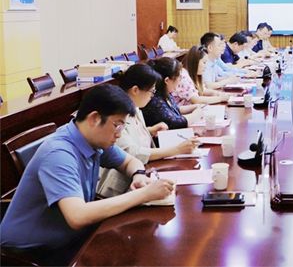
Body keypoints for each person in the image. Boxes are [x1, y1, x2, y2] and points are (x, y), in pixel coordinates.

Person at [0, 84, 174, 265]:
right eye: (117, 125)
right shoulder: (59, 153)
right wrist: (143, 194)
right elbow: (78, 216)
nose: (119, 134)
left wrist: (139, 175)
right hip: (30, 253)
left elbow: (130, 162)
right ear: (94, 118)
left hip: (70, 236)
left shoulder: (92, 138)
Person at [97, 64, 199, 198]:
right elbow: (134, 152)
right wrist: (177, 149)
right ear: (135, 90)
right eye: (151, 91)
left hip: (142, 177)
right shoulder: (118, 115)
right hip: (120, 189)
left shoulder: (136, 108)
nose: (153, 96)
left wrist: (149, 131)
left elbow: (132, 138)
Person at [141, 57, 203, 129]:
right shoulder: (155, 100)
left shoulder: (164, 92)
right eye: (179, 77)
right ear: (167, 80)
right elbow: (176, 123)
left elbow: (174, 109)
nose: (180, 80)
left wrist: (195, 107)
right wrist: (197, 114)